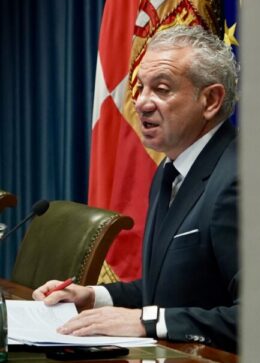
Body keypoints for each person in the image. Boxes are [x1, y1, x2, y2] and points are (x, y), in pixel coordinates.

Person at [33, 25, 240, 352]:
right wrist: (93, 296)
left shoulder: (239, 181)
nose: (142, 103)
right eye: (139, 87)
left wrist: (147, 321)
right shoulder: (169, 172)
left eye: (161, 89)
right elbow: (170, 290)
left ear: (211, 100)